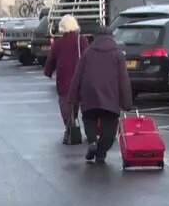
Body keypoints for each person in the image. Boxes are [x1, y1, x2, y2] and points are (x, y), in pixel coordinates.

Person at [70, 24, 134, 165]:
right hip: (110, 95)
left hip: (89, 92)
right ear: (111, 37)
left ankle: (92, 141)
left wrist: (73, 96)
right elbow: (123, 80)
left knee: (89, 118)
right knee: (109, 126)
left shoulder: (88, 52)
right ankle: (101, 152)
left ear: (95, 37)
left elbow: (77, 75)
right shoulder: (118, 54)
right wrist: (127, 102)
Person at [42, 15, 88, 146]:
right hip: (80, 80)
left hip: (64, 80)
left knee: (65, 104)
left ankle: (69, 126)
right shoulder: (82, 40)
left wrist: (48, 72)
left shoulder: (58, 44)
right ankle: (76, 125)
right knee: (78, 103)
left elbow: (51, 61)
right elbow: (87, 58)